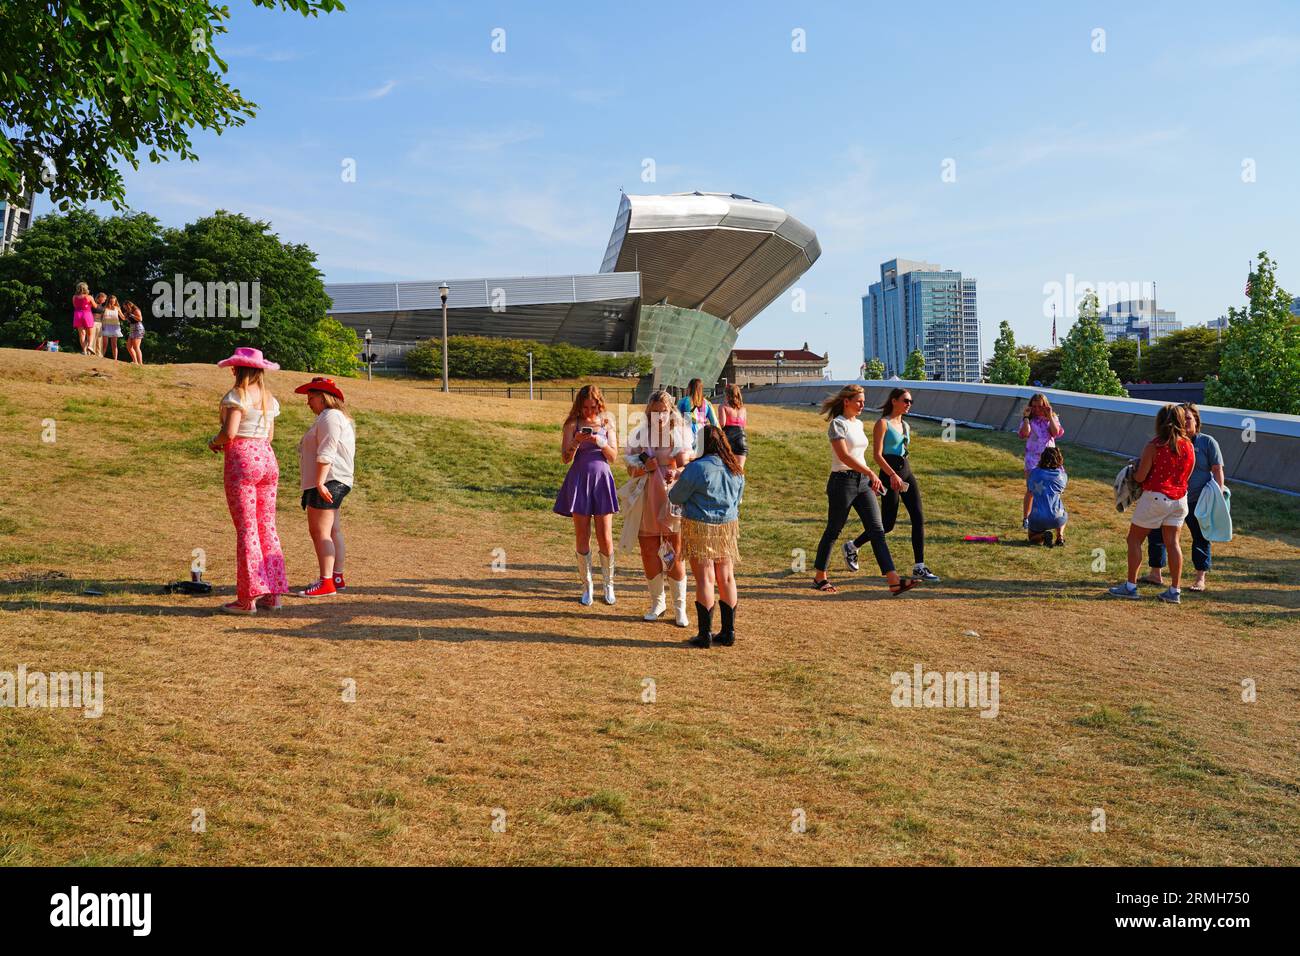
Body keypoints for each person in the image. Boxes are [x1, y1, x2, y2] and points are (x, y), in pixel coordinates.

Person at [811, 384, 916, 595]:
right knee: (834, 529)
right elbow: (844, 456)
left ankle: (893, 580)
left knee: (878, 530)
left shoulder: (858, 424)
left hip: (863, 483)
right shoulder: (837, 424)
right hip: (842, 482)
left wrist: (869, 478)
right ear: (846, 401)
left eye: (863, 402)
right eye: (858, 401)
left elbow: (858, 454)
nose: (862, 405)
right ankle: (820, 576)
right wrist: (871, 473)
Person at [207, 347, 289, 614]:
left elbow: (229, 432)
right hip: (267, 458)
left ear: (236, 369)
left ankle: (247, 598)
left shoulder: (236, 396)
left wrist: (214, 442)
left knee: (247, 530)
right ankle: (273, 594)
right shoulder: (268, 399)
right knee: (267, 525)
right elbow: (270, 436)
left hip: (242, 459)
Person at [1108, 404, 1195, 604]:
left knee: (1134, 540)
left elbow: (1140, 477)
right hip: (1179, 499)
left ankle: (1130, 586)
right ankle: (1174, 590)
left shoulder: (1154, 446)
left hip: (1156, 497)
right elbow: (1187, 475)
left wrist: (1134, 468)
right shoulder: (1189, 445)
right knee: (1173, 543)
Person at [620, 390, 692, 626]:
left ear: (670, 410)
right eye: (654, 412)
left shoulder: (679, 433)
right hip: (647, 494)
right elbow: (630, 468)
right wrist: (644, 467)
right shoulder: (640, 434)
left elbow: (689, 463)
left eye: (663, 411)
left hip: (672, 494)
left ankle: (680, 607)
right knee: (649, 549)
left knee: (673, 551)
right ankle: (657, 602)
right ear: (648, 413)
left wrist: (676, 470)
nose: (659, 416)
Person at [669, 425, 745, 648]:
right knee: (727, 577)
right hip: (727, 527)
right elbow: (738, 498)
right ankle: (728, 632)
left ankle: (705, 635)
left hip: (700, 525)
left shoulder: (696, 468)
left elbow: (675, 496)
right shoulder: (735, 469)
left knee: (705, 578)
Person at [1142, 403, 1225, 592]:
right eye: (1181, 419)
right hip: (1169, 498)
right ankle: (1156, 573)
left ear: (1196, 421)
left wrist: (1217, 496)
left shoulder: (1207, 442)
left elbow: (1217, 469)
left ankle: (1200, 578)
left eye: (1188, 418)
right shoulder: (1166, 442)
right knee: (1156, 535)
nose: (1185, 422)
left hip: (1198, 500)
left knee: (1200, 537)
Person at [554, 384, 619, 606]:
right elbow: (565, 458)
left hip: (602, 481)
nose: (590, 411)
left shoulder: (607, 422)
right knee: (582, 536)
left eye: (594, 406)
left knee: (606, 536)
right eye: (585, 407)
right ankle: (587, 585)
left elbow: (613, 457)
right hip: (580, 481)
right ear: (579, 406)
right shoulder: (572, 424)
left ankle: (609, 585)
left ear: (599, 404)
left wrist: (600, 442)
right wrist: (576, 441)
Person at [293, 377, 357, 598]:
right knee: (331, 530)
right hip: (334, 479)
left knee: (320, 532)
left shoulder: (330, 417)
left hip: (329, 480)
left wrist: (319, 482)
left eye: (311, 398)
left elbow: (327, 451)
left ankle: (326, 582)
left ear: (323, 398)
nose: (308, 403)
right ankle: (335, 577)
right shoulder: (333, 417)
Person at [870, 387, 940, 582]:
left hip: (906, 473)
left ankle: (919, 566)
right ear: (894, 401)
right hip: (889, 475)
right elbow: (877, 455)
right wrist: (892, 475)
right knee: (887, 524)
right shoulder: (882, 424)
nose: (909, 404)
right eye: (905, 400)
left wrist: (902, 471)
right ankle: (853, 545)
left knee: (918, 517)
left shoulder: (906, 425)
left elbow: (903, 450)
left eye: (910, 402)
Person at [1016, 393, 1064, 528]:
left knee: (1053, 490)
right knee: (1031, 489)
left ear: (1045, 406)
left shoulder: (1052, 418)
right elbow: (1024, 434)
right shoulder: (1029, 420)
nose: (1037, 409)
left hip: (1050, 459)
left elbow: (1055, 433)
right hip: (1033, 459)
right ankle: (1026, 518)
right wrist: (1026, 417)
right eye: (1034, 406)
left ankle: (1054, 516)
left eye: (1040, 406)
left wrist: (1049, 416)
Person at [1026, 447, 1068, 547]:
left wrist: (1025, 517)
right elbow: (1060, 492)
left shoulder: (1034, 473)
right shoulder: (1063, 476)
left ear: (1042, 457)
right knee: (1062, 510)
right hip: (1057, 517)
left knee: (1032, 538)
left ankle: (1043, 535)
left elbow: (1029, 494)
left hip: (1038, 517)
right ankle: (1060, 536)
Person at [676, 378, 719, 457]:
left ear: (689, 388)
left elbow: (676, 419)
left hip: (686, 436)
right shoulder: (707, 403)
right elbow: (715, 423)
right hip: (702, 437)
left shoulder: (683, 402)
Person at [720, 383, 748, 470]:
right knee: (740, 469)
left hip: (728, 438)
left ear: (727, 394)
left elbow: (722, 423)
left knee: (727, 469)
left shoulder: (723, 407)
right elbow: (744, 425)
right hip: (741, 438)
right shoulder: (743, 409)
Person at [72, 283, 96, 355]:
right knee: (90, 333)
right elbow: (95, 306)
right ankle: (90, 346)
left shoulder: (74, 297)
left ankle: (84, 351)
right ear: (86, 288)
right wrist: (90, 304)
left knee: (82, 334)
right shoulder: (89, 297)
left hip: (77, 315)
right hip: (87, 314)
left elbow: (75, 305)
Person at [100, 295, 123, 361]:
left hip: (115, 327)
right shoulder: (104, 308)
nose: (112, 302)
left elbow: (123, 317)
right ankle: (101, 357)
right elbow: (101, 317)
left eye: (113, 301)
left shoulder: (117, 308)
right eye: (111, 301)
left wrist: (130, 315)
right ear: (109, 301)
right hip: (105, 326)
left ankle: (115, 359)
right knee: (105, 344)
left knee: (114, 344)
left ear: (115, 301)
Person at [90, 292, 107, 357]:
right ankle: (91, 353)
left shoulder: (102, 307)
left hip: (100, 323)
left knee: (99, 339)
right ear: (100, 297)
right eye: (104, 299)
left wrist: (103, 324)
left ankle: (99, 354)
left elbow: (102, 316)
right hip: (92, 322)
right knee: (92, 337)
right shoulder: (93, 303)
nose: (104, 300)